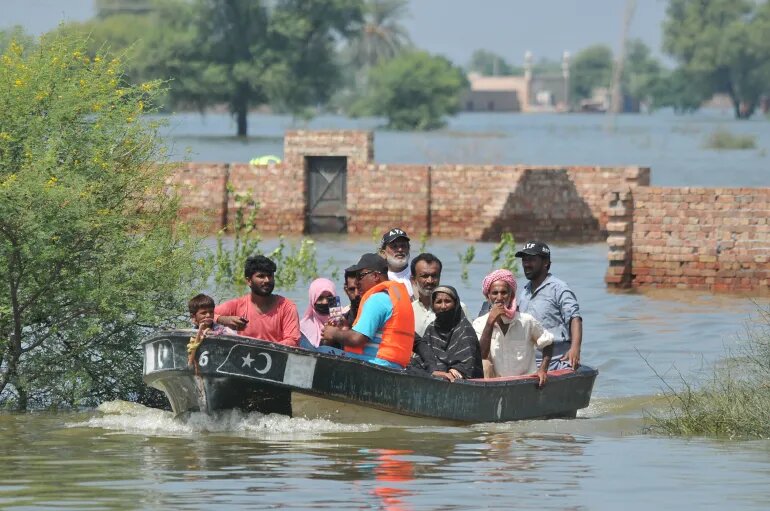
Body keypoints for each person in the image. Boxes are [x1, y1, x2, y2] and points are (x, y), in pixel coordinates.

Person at [320, 253, 415, 369]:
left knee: (322, 350)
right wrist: (345, 330)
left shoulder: (377, 299)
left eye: (360, 276)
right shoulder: (394, 297)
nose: (357, 282)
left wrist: (333, 333)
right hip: (394, 366)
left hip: (373, 365)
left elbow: (357, 339)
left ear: (375, 276)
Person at [472, 269, 554, 386]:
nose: (499, 298)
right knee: (484, 363)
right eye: (495, 293)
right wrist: (490, 322)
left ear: (511, 296)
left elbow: (548, 343)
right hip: (495, 385)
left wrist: (543, 370)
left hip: (524, 384)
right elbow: (481, 356)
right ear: (488, 297)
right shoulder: (480, 323)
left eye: (504, 292)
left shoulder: (526, 321)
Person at [515, 241, 582, 370]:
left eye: (531, 260)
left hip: (556, 363)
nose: (526, 264)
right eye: (524, 260)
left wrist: (575, 348)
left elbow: (575, 318)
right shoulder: (525, 291)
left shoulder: (559, 288)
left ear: (545, 262)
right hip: (529, 363)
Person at [215, 255, 301, 346]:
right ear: (249, 281)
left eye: (270, 276)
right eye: (261, 276)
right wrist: (223, 319)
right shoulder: (237, 305)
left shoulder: (287, 307)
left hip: (276, 356)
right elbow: (203, 316)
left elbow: (293, 341)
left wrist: (264, 348)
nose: (267, 280)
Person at [411, 286, 482, 382]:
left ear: (455, 304)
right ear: (433, 305)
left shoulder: (465, 329)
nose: (443, 306)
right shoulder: (432, 329)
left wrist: (452, 372)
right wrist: (434, 371)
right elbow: (423, 357)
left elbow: (467, 365)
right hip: (434, 378)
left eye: (447, 301)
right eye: (438, 302)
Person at [410, 253, 469, 336]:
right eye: (424, 276)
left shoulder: (458, 308)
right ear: (413, 280)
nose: (430, 281)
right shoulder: (408, 310)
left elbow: (470, 342)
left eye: (434, 276)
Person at [186, 293, 236, 371]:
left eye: (211, 312)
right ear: (193, 317)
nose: (208, 315)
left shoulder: (224, 331)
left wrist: (211, 333)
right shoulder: (190, 335)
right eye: (203, 313)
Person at [299, 278, 337, 349]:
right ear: (313, 300)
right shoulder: (303, 329)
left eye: (329, 297)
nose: (325, 302)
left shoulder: (344, 321)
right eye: (320, 298)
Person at [380, 228, 413, 298]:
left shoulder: (418, 275)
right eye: (394, 246)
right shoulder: (379, 279)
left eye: (403, 246)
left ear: (409, 249)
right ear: (383, 253)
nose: (400, 250)